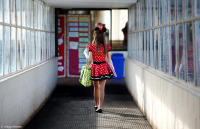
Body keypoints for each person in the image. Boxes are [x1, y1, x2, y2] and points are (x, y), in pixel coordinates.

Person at [87, 26, 113, 113]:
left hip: (95, 68)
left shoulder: (92, 46)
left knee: (96, 87)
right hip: (103, 67)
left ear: (95, 36)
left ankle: (96, 104)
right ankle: (100, 106)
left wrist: (86, 55)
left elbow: (89, 60)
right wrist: (112, 69)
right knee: (102, 88)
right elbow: (109, 60)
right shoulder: (106, 46)